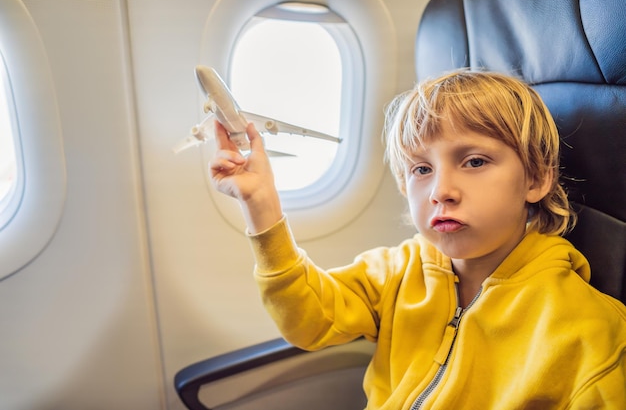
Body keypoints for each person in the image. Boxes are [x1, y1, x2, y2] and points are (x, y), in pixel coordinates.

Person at [209, 69, 626, 409]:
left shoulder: (586, 332)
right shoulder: (397, 271)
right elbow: (308, 321)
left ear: (536, 178)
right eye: (421, 169)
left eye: (474, 161)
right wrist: (261, 204)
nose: (440, 189)